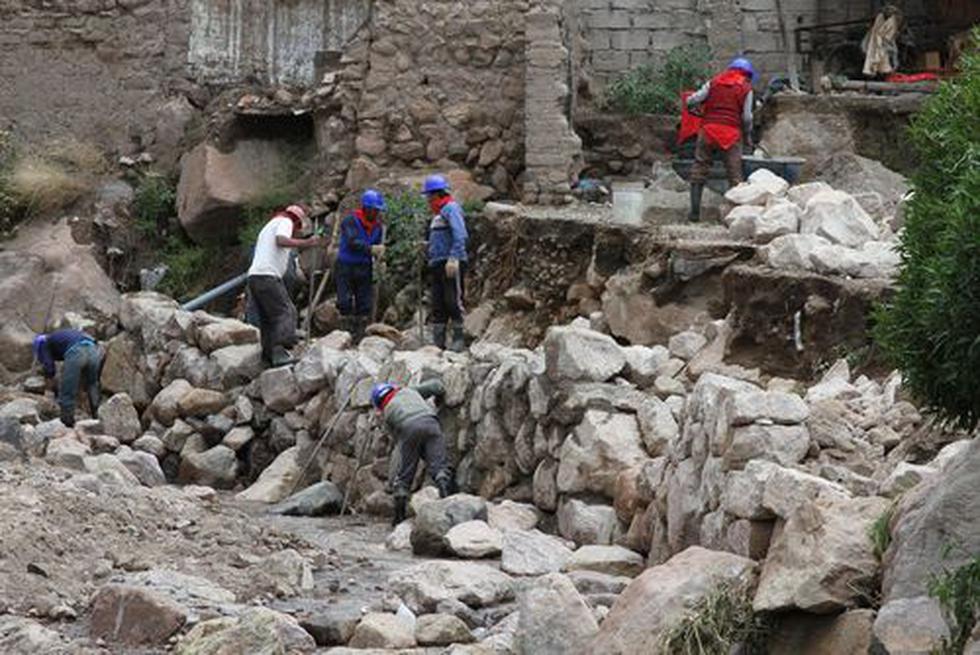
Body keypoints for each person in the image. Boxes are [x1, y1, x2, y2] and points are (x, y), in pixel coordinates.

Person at [247, 204, 323, 367]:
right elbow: (281, 240)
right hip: (268, 276)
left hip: (255, 277)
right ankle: (280, 352)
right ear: (296, 221)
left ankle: (268, 357)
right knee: (286, 311)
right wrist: (307, 242)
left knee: (268, 319)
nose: (296, 232)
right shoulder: (285, 221)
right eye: (298, 229)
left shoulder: (269, 226)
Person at [371, 380, 454, 526]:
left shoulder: (388, 411)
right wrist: (439, 399)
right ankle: (448, 502)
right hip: (431, 422)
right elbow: (437, 386)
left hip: (407, 427)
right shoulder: (409, 391)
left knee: (405, 473)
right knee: (439, 466)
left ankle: (399, 517)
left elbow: (399, 443)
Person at [686, 57, 756, 222]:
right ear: (748, 74)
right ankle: (736, 217)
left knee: (699, 169)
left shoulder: (714, 82)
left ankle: (694, 214)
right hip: (731, 134)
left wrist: (692, 106)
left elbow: (692, 100)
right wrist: (747, 136)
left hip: (708, 130)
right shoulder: (746, 88)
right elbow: (747, 118)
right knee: (735, 175)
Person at [422, 174, 468, 351]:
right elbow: (440, 238)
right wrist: (426, 247)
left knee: (452, 300)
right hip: (437, 263)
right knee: (438, 302)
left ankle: (458, 338)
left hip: (451, 263)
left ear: (436, 194)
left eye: (429, 196)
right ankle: (438, 341)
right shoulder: (437, 216)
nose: (428, 200)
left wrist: (454, 257)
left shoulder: (451, 209)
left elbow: (460, 234)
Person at [336, 189, 386, 341]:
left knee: (364, 301)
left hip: (364, 267)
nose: (377, 213)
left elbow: (378, 246)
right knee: (344, 301)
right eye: (375, 210)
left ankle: (360, 335)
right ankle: (346, 332)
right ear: (367, 208)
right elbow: (352, 242)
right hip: (346, 265)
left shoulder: (378, 227)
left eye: (378, 210)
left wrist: (381, 257)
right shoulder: (350, 221)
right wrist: (371, 249)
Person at [33, 329, 102, 427]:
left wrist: (49, 390)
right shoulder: (60, 336)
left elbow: (49, 368)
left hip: (76, 352)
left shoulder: (44, 343)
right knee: (92, 384)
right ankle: (97, 416)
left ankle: (67, 422)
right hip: (93, 350)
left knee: (68, 390)